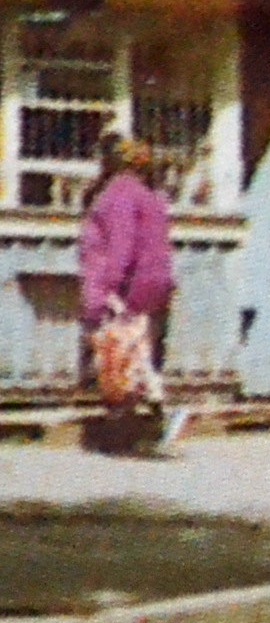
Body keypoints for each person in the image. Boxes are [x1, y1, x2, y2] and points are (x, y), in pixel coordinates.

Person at [75, 131, 176, 452]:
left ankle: (138, 432)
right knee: (140, 357)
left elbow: (121, 247)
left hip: (127, 287)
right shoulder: (151, 194)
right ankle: (144, 428)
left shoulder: (118, 195)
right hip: (153, 285)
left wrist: (109, 290)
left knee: (120, 360)